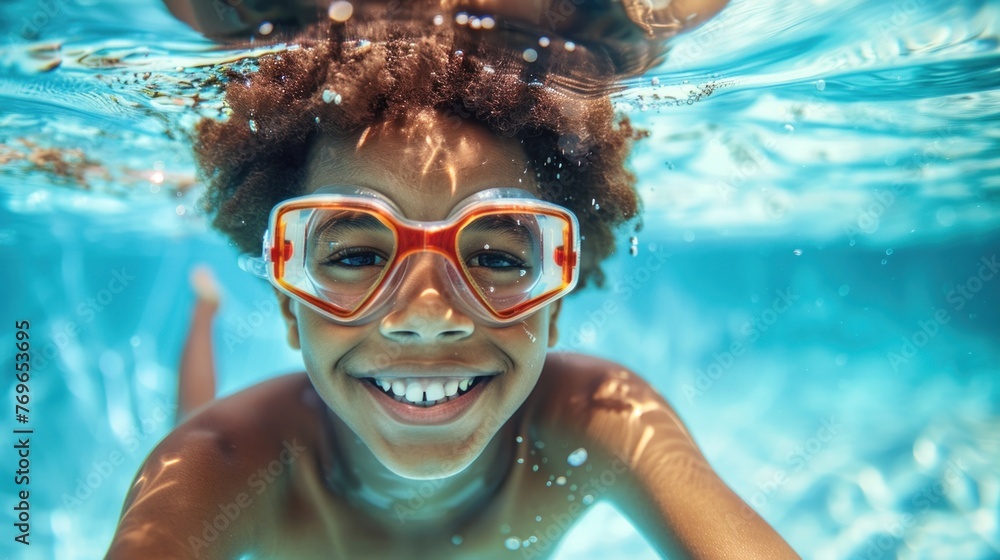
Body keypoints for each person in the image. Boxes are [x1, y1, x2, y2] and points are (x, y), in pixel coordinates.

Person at [107, 3, 799, 559]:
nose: (430, 314)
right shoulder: (221, 466)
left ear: (555, 302)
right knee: (191, 421)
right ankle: (206, 311)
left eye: (497, 259)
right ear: (290, 304)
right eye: (355, 257)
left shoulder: (599, 421)